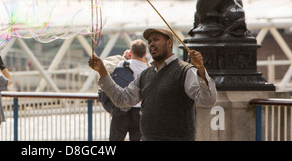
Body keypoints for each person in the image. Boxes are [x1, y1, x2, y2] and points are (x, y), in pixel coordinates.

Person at [89, 28, 217, 141]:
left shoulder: (185, 71)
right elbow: (122, 100)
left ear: (169, 42)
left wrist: (201, 70)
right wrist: (102, 71)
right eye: (149, 41)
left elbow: (208, 100)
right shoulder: (145, 75)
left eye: (156, 40)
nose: (152, 44)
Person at [108, 39, 148, 141]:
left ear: (130, 52)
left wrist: (124, 57)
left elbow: (110, 71)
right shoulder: (148, 70)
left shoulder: (123, 64)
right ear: (145, 54)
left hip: (122, 109)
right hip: (139, 112)